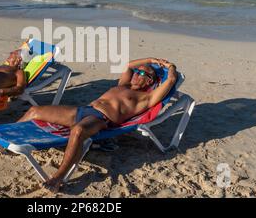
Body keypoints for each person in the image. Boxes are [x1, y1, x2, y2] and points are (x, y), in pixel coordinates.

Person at [18, 57, 178, 192]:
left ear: (150, 80)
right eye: (137, 72)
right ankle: (3, 137)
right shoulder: (123, 85)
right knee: (34, 110)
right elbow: (129, 65)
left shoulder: (145, 98)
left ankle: (58, 177)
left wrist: (170, 66)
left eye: (142, 73)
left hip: (100, 118)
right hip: (84, 110)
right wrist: (150, 60)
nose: (136, 75)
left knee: (78, 130)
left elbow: (170, 79)